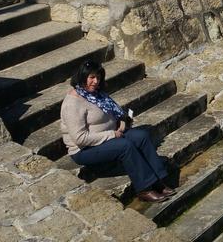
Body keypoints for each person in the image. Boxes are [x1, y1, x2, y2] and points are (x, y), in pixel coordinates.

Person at [60, 59, 175, 202]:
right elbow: (80, 138)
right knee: (125, 147)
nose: (95, 81)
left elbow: (113, 112)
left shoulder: (96, 94)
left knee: (141, 136)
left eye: (98, 77)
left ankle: (157, 180)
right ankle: (144, 189)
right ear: (82, 77)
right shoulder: (73, 103)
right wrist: (112, 134)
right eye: (91, 77)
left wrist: (122, 122)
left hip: (110, 135)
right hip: (84, 149)